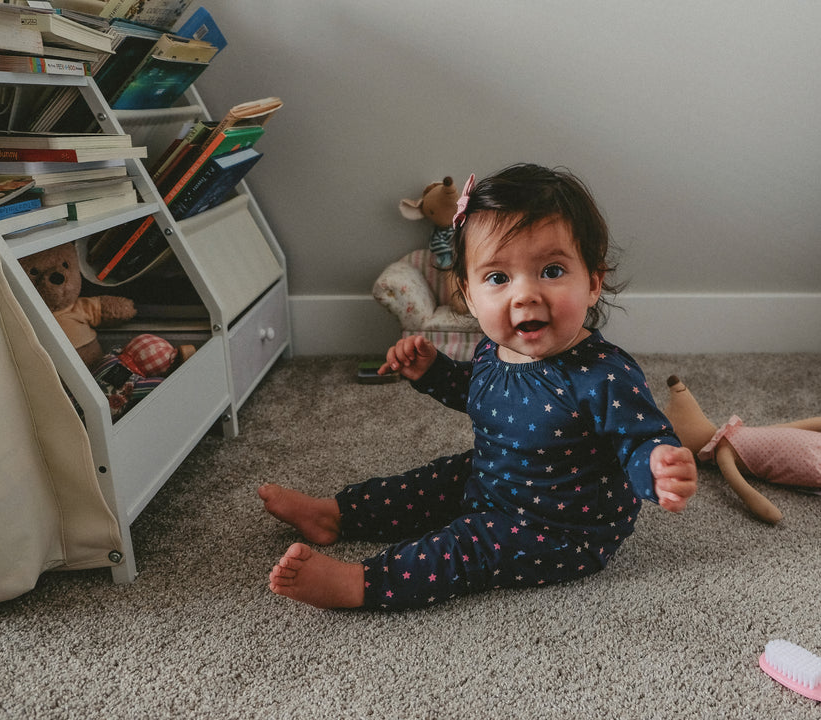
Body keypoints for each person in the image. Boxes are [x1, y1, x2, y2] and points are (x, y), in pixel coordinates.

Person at [261, 163, 698, 610]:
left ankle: (362, 583)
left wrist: (657, 466)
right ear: (469, 295)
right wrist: (433, 372)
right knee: (432, 482)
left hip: (560, 530)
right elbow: (479, 393)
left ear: (592, 282)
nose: (524, 295)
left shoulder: (603, 374)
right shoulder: (494, 348)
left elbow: (639, 438)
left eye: (551, 271)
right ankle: (335, 515)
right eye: (498, 278)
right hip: (492, 480)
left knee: (468, 544)